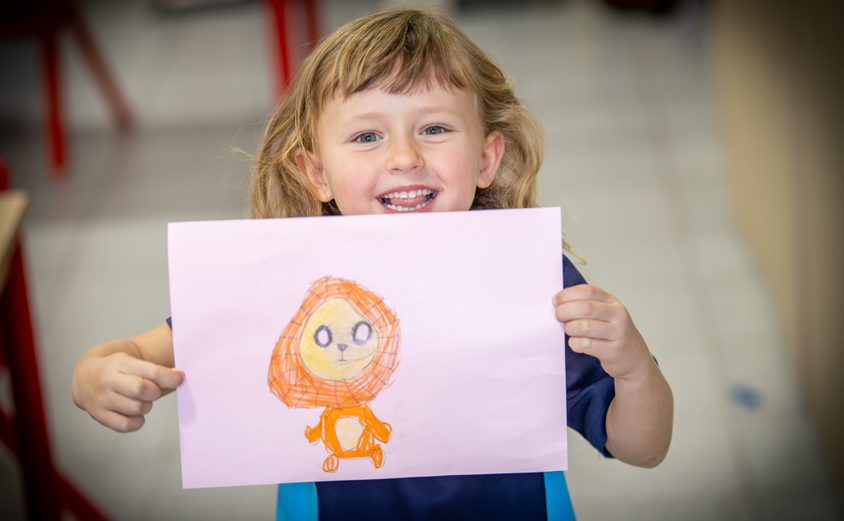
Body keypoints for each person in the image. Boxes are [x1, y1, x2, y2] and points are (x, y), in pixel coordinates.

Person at [71, 9, 673, 520]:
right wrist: (97, 374)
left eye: (434, 128)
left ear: (488, 157)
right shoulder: (284, 287)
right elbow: (133, 353)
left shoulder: (531, 278)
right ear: (316, 173)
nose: (405, 157)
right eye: (366, 137)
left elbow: (643, 448)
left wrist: (636, 368)